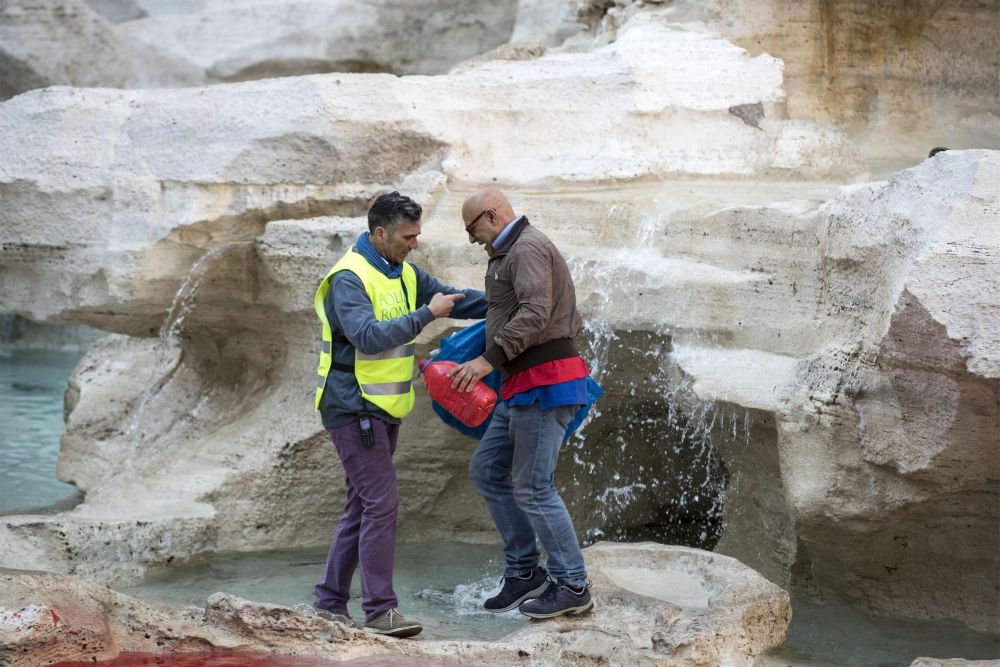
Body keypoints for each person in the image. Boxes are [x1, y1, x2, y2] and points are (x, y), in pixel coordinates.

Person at [312, 191, 487, 637]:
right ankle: (379, 611)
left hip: (382, 407)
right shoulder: (348, 278)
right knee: (380, 505)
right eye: (409, 236)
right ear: (380, 233)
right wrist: (427, 315)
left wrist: (506, 302)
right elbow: (368, 337)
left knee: (362, 505)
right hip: (353, 406)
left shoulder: (402, 271)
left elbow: (453, 299)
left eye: (417, 235)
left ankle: (329, 602)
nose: (415, 243)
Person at [448, 186, 594, 618]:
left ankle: (573, 583)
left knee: (533, 486)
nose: (472, 239)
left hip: (545, 382)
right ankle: (525, 573)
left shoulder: (527, 247)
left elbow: (534, 313)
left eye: (472, 229)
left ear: (491, 216)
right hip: (521, 384)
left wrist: (485, 361)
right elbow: (506, 309)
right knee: (488, 470)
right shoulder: (507, 251)